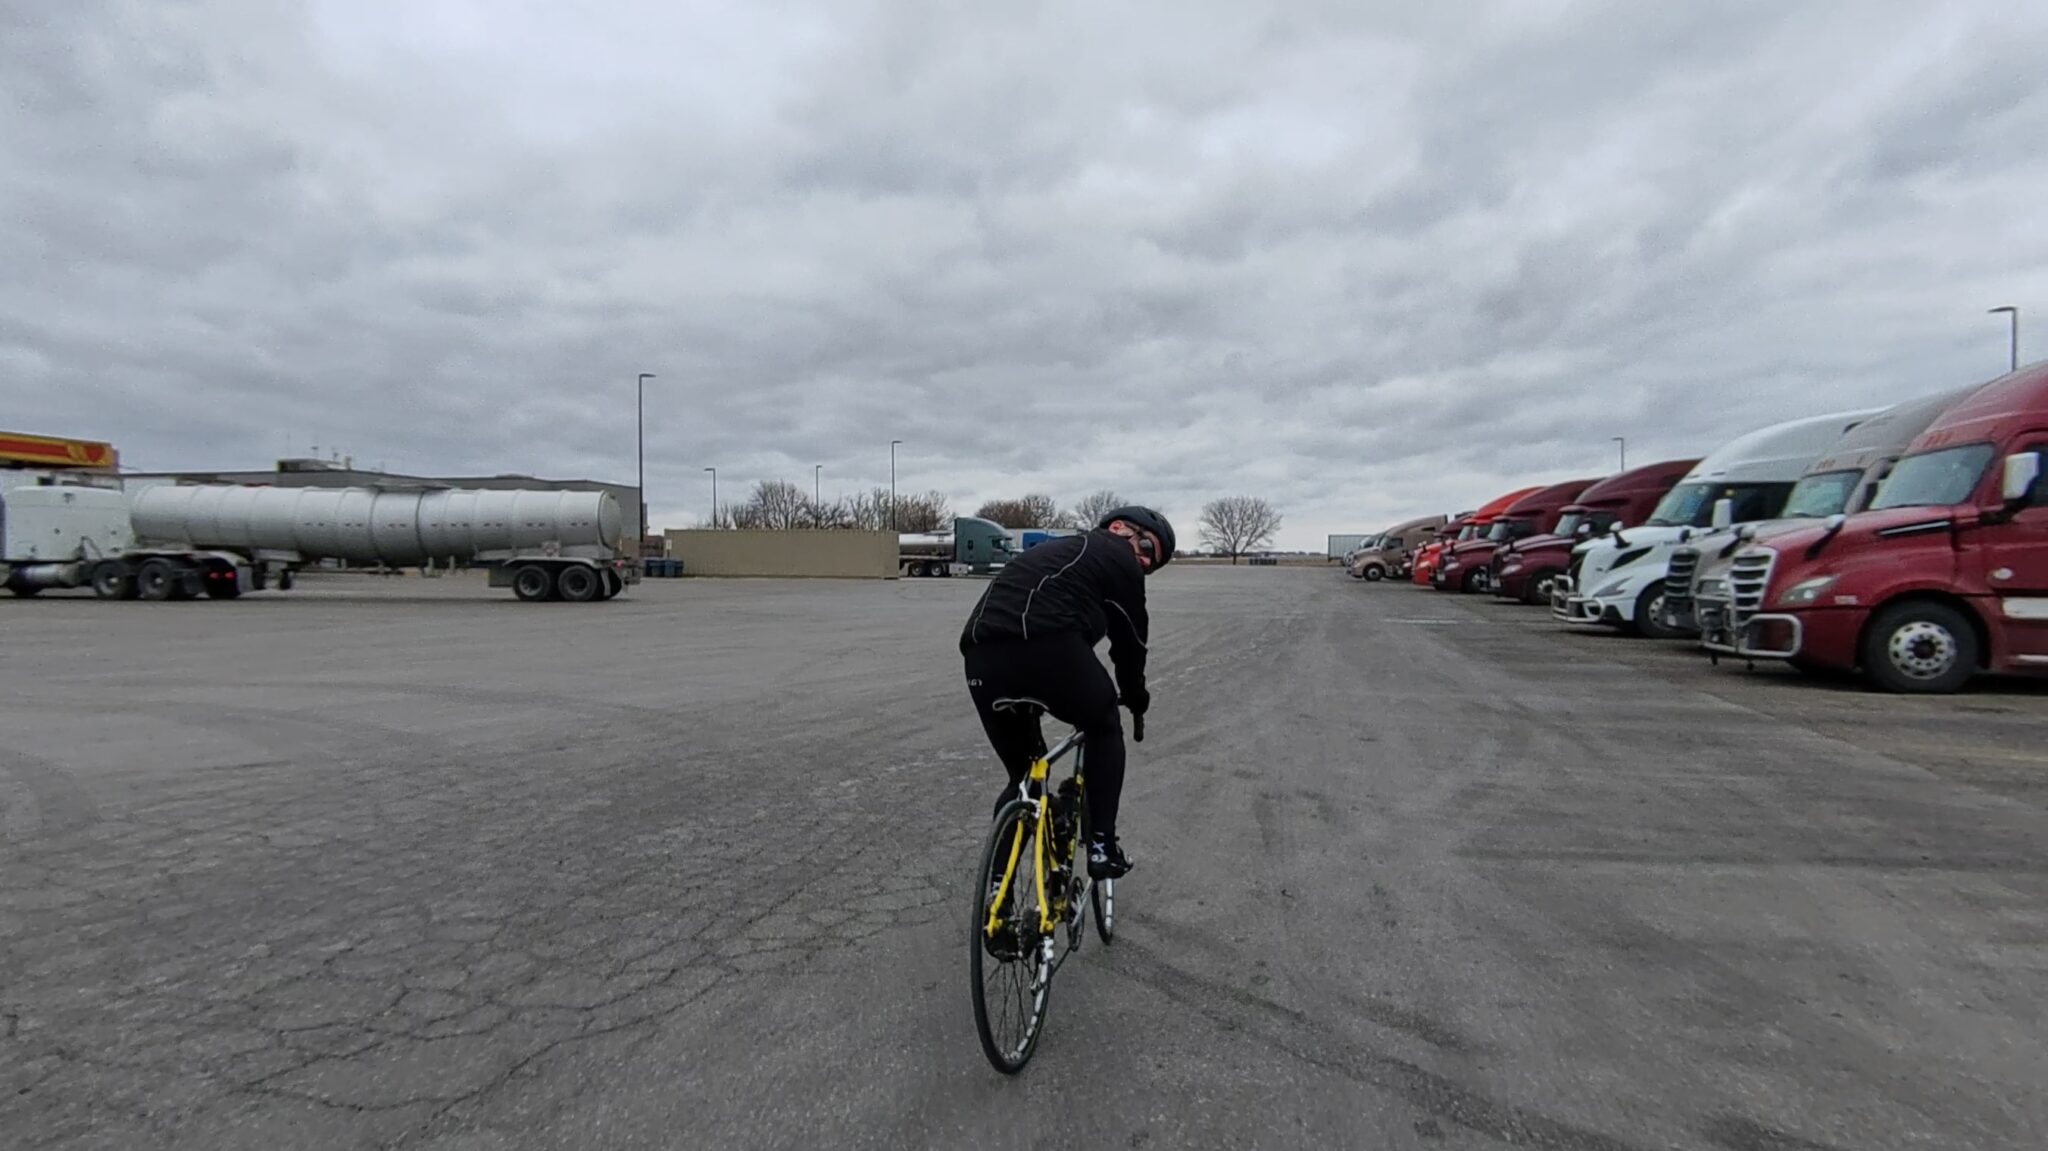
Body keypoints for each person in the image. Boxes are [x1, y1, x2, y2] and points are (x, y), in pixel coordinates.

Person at [959, 505, 1174, 879]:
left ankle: (997, 894)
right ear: (1119, 527)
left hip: (980, 655)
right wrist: (1135, 697)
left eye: (1151, 563)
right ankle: (1104, 847)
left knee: (1025, 777)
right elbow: (1131, 643)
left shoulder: (1050, 554)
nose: (1143, 561)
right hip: (1047, 646)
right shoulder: (1112, 553)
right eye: (1146, 546)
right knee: (1104, 725)